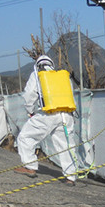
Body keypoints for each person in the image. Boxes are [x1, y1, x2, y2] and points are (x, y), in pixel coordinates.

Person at [14, 55, 79, 186]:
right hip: (66, 115)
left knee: (26, 137)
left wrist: (30, 111)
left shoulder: (37, 74)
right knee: (66, 146)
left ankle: (30, 166)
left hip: (48, 114)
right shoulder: (61, 75)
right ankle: (71, 177)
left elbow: (29, 95)